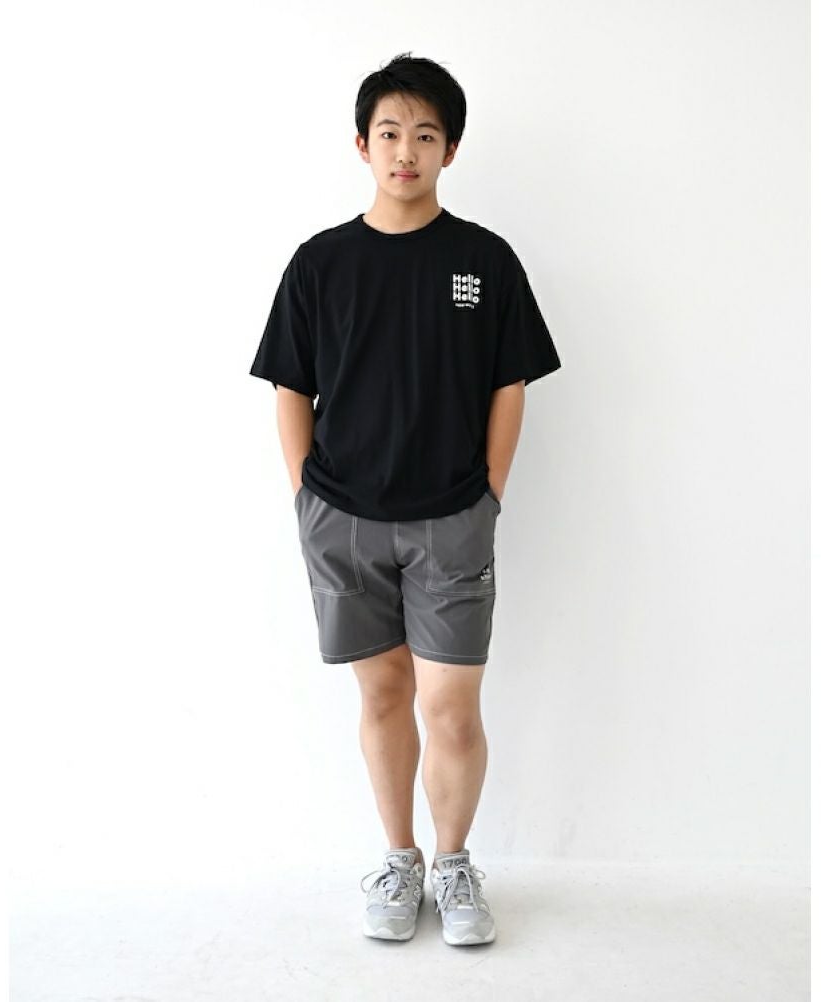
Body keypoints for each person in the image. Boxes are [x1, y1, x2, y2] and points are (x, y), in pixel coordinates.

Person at [249, 52, 561, 946]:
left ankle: (454, 863)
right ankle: (400, 859)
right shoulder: (321, 262)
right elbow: (290, 386)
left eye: (426, 135)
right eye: (389, 133)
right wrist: (308, 498)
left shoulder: (483, 260)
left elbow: (510, 382)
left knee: (451, 708)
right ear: (362, 144)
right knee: (384, 697)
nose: (406, 151)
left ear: (449, 150)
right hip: (342, 519)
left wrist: (489, 493)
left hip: (453, 518)